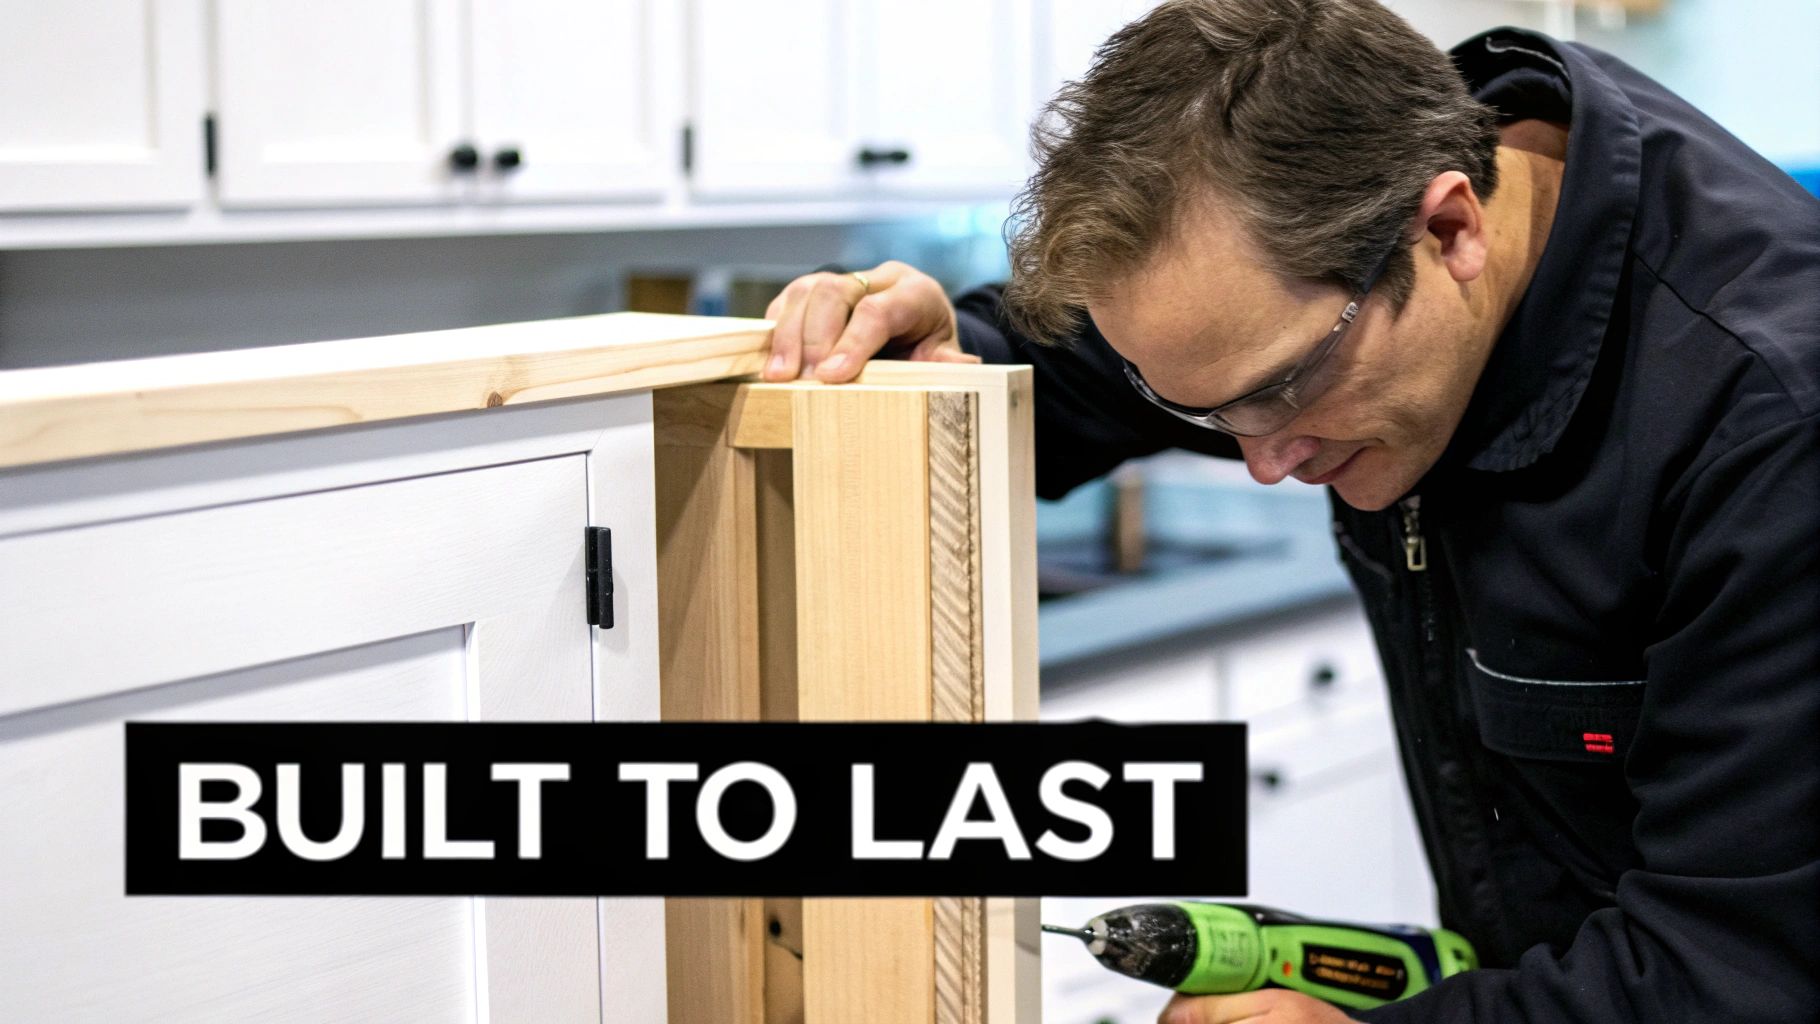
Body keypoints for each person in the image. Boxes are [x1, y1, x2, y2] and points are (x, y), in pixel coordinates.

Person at [762, 2, 1820, 1021]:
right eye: (1199, 408)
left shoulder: (1766, 426)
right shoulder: (1324, 247)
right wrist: (950, 357)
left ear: (1447, 227)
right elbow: (1105, 367)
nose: (1260, 461)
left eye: (1278, 390)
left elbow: (1739, 976)